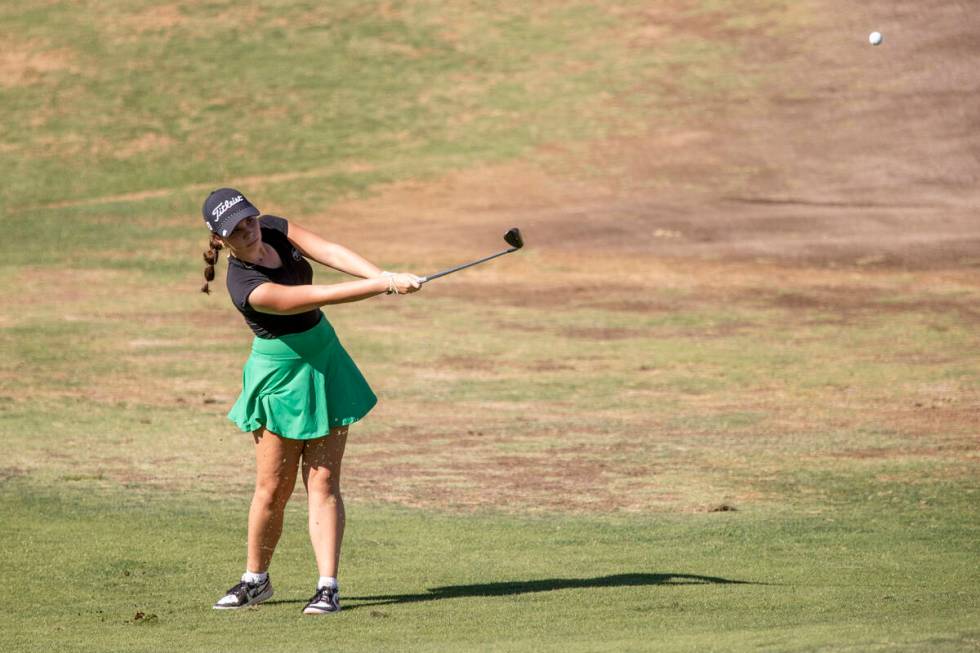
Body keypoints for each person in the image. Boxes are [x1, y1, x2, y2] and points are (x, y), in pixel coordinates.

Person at [199, 188, 420, 615]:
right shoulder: (245, 285)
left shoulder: (276, 229)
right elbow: (317, 297)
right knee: (272, 489)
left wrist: (383, 275)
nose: (248, 231)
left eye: (249, 220)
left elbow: (330, 251)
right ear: (220, 239)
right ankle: (255, 579)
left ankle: (327, 587)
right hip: (280, 375)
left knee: (322, 480)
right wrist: (381, 285)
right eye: (236, 230)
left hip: (325, 360)